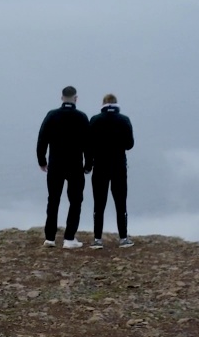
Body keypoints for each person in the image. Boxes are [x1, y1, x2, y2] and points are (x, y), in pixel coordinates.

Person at [36, 86, 91, 248]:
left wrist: (42, 161)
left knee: (53, 199)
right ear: (76, 99)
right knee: (75, 201)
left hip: (55, 164)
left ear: (62, 98)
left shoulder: (52, 115)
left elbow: (42, 139)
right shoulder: (81, 117)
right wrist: (88, 164)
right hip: (74, 165)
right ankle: (69, 238)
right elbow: (88, 144)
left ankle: (50, 238)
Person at [87, 93, 135, 248]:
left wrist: (88, 165)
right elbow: (129, 144)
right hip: (119, 166)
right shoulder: (124, 120)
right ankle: (123, 238)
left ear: (103, 104)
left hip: (100, 166)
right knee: (121, 203)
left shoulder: (95, 120)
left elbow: (89, 146)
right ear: (116, 104)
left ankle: (97, 239)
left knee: (99, 204)